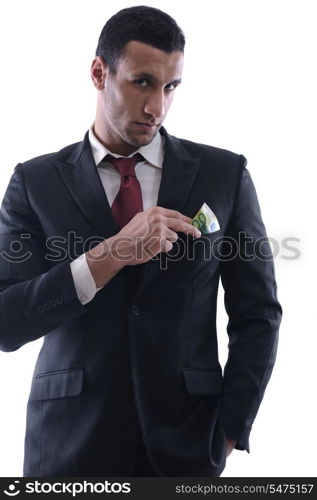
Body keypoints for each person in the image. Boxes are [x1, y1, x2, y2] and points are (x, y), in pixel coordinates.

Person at [0, 6, 282, 477]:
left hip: (188, 447)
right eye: (143, 82)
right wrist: (109, 255)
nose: (158, 108)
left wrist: (232, 427)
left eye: (171, 87)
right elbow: (6, 322)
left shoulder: (224, 174)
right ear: (99, 72)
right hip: (67, 447)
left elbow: (258, 313)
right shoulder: (35, 181)